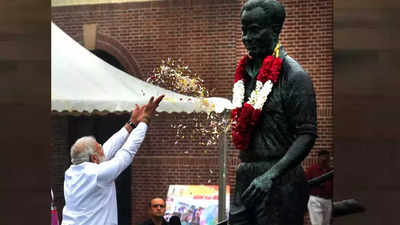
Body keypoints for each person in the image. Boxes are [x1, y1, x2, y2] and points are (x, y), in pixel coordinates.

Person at [229, 0, 317, 225]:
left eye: (254, 30)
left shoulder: (295, 76)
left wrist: (271, 175)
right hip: (246, 176)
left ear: (275, 30)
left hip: (279, 180)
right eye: (244, 30)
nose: (247, 37)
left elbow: (307, 134)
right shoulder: (244, 75)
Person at [61, 95, 165, 225]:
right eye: (100, 148)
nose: (103, 148)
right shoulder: (98, 174)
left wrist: (131, 124)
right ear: (94, 158)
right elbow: (127, 152)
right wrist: (145, 119)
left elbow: (106, 149)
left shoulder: (71, 172)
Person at [306, 150, 333, 225]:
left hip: (328, 200)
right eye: (323, 157)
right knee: (318, 223)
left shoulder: (330, 170)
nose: (324, 159)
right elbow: (306, 184)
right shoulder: (312, 169)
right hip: (316, 199)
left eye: (327, 157)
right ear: (319, 158)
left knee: (326, 223)